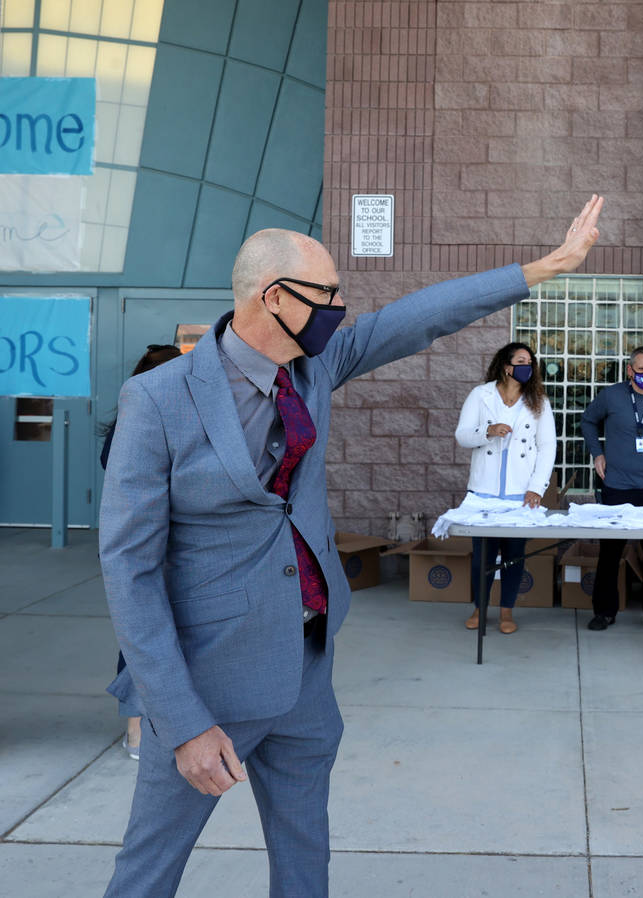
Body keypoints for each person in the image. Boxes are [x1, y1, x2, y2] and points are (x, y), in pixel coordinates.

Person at [99, 194, 604, 898]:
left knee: (306, 865)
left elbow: (413, 320)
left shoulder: (315, 366)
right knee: (149, 873)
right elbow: (131, 570)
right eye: (327, 295)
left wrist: (540, 270)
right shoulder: (158, 399)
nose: (339, 309)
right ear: (273, 297)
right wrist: (181, 721)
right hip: (209, 679)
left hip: (305, 669)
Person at [100, 343, 183, 760]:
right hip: (164, 547)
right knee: (150, 631)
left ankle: (139, 731)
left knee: (142, 630)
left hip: (142, 544)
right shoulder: (164, 413)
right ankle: (138, 731)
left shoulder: (130, 415)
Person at [454, 341, 556, 635]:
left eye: (531, 362)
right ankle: (479, 608)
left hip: (520, 492)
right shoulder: (481, 395)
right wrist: (488, 431)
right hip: (483, 492)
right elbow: (462, 435)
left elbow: (548, 446)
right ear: (506, 366)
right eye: (521, 361)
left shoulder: (538, 400)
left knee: (514, 557)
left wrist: (537, 487)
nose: (528, 367)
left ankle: (507, 612)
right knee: (482, 557)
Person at [580, 346, 643, 632]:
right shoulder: (611, 396)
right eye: (641, 370)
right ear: (629, 370)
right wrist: (597, 453)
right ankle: (604, 611)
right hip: (617, 486)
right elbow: (588, 421)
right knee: (610, 552)